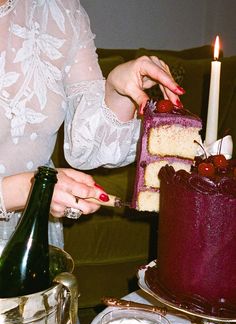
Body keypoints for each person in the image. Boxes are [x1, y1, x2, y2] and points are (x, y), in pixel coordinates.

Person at [0, 0, 185, 251]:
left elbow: (89, 149)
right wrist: (27, 190)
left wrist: (119, 92)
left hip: (32, 236)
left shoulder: (59, 8)